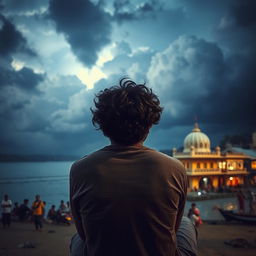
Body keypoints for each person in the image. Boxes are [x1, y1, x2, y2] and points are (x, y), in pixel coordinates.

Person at [70, 79, 198, 256]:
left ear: (103, 126)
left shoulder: (79, 169)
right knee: (185, 223)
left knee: (76, 239)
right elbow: (173, 229)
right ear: (149, 125)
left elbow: (83, 233)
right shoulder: (175, 168)